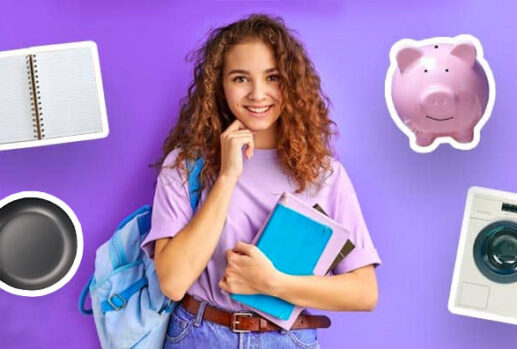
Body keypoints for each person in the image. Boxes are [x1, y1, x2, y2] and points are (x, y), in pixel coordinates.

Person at [140, 13, 381, 349]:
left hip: (288, 338)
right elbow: (174, 283)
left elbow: (364, 292)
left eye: (273, 77)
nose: (257, 94)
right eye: (240, 78)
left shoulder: (323, 174)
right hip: (199, 333)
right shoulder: (185, 166)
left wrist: (273, 283)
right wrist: (227, 176)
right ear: (219, 85)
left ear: (292, 83)